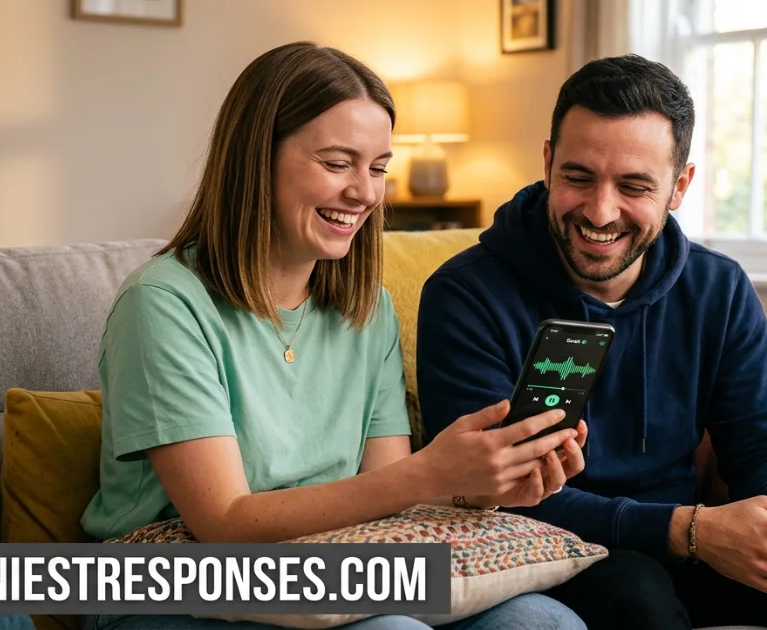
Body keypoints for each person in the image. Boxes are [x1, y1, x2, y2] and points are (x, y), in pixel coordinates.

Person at [415, 54, 767, 630]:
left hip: (699, 545)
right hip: (562, 550)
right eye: (578, 177)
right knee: (635, 589)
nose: (600, 211)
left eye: (635, 186)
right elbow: (490, 491)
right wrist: (691, 530)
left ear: (679, 186)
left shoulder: (717, 286)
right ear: (547, 163)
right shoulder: (466, 294)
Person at [80, 42, 588, 630]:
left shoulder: (366, 309)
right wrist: (429, 472)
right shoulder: (164, 305)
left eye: (377, 169)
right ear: (256, 158)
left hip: (328, 569)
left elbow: (383, 490)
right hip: (166, 587)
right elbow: (222, 522)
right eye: (337, 162)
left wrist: (481, 487)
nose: (366, 194)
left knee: (542, 621)